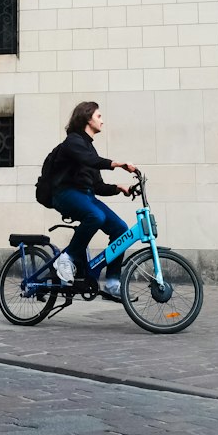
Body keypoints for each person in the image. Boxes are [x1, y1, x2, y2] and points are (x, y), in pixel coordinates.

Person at [49, 101, 137, 299]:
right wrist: (118, 164)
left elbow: (97, 186)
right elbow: (90, 161)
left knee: (121, 229)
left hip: (86, 196)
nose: (102, 121)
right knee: (95, 215)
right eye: (99, 116)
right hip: (65, 194)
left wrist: (119, 188)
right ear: (87, 118)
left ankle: (113, 282)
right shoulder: (73, 142)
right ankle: (66, 258)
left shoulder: (90, 149)